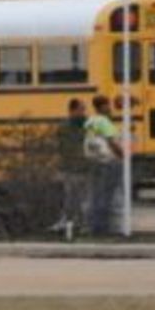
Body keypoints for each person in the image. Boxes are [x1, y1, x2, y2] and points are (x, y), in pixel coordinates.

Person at [83, 95, 123, 235]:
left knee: (95, 195)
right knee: (107, 196)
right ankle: (104, 227)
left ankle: (93, 226)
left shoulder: (90, 121)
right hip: (107, 162)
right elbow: (111, 141)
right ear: (102, 107)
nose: (110, 108)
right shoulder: (104, 122)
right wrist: (122, 154)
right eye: (107, 105)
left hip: (93, 161)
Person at [54, 98, 90, 232]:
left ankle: (81, 223)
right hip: (72, 168)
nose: (84, 112)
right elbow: (63, 148)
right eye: (81, 109)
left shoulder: (85, 125)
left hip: (81, 168)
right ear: (72, 110)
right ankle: (70, 222)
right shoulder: (65, 128)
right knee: (71, 198)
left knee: (81, 199)